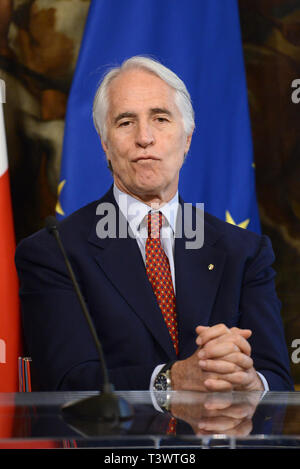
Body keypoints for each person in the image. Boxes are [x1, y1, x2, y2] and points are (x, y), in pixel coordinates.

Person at [15, 56, 293, 393]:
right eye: (125, 122)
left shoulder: (245, 252)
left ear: (187, 138)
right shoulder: (54, 251)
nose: (144, 137)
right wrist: (171, 381)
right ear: (105, 144)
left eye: (160, 118)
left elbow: (276, 378)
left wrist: (248, 384)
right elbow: (68, 381)